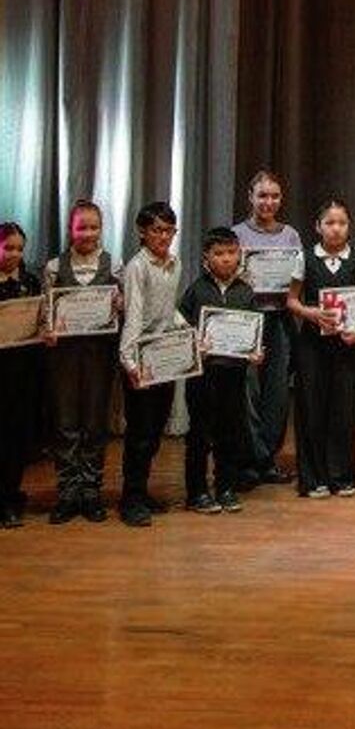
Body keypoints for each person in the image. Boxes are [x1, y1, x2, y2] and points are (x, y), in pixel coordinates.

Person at [285, 198, 355, 499]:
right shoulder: (305, 257)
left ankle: (342, 476)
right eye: (330, 223)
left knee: (342, 409)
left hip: (345, 346)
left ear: (349, 227)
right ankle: (312, 478)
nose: (336, 229)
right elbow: (291, 300)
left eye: (342, 223)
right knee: (311, 407)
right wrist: (310, 313)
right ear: (318, 227)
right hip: (312, 345)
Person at [177, 225, 263, 513]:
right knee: (199, 434)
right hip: (202, 375)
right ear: (206, 257)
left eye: (231, 252)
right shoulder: (196, 290)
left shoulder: (246, 292)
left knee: (231, 432)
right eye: (219, 253)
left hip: (234, 375)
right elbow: (182, 326)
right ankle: (197, 492)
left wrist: (256, 352)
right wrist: (194, 343)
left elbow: (255, 330)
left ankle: (226, 486)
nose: (226, 258)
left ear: (239, 254)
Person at [42, 197, 118, 524]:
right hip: (64, 357)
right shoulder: (53, 267)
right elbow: (45, 311)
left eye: (94, 227)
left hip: (100, 354)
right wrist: (48, 329)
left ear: (101, 229)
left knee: (95, 423)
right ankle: (67, 493)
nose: (88, 233)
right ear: (70, 229)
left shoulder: (114, 265)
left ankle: (91, 492)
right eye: (81, 227)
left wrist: (119, 305)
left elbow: (123, 311)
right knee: (66, 423)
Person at [232, 167, 302, 488]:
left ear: (281, 198)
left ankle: (268, 460)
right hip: (247, 321)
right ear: (250, 197)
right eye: (262, 195)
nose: (268, 202)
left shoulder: (291, 236)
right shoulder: (235, 234)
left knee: (277, 394)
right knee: (248, 393)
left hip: (280, 320)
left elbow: (299, 282)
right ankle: (248, 461)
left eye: (274, 196)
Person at [116, 199, 184, 527]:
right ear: (142, 232)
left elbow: (169, 309)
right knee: (140, 433)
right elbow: (133, 315)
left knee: (156, 430)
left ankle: (141, 492)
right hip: (140, 357)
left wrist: (189, 332)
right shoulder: (136, 267)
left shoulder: (175, 263)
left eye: (169, 231)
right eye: (157, 230)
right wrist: (129, 362)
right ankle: (130, 499)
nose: (164, 237)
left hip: (165, 356)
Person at [0, 221, 43, 528]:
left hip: (22, 373)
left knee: (16, 438)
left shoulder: (30, 281)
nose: (14, 254)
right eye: (8, 248)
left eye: (19, 248)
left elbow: (41, 320)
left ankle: (11, 496)